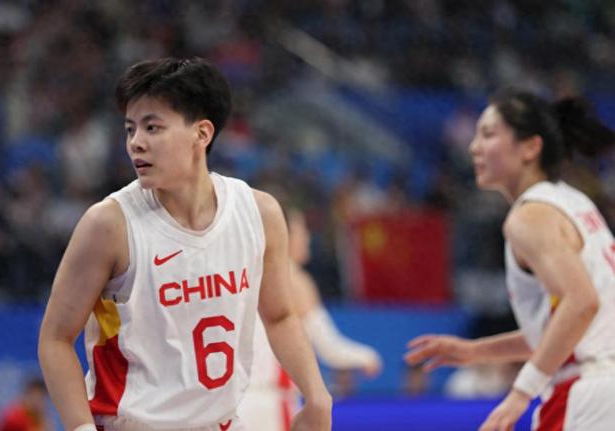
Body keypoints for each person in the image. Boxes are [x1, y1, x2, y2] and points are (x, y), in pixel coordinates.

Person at [38, 57, 332, 431]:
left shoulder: (259, 213)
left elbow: (280, 316)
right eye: (130, 129)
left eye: (152, 127)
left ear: (202, 133)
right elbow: (55, 338)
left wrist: (317, 395)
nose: (136, 142)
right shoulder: (108, 225)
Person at [405, 91, 615, 430]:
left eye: (488, 134)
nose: (474, 147)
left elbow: (581, 303)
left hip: (588, 393)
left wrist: (521, 392)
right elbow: (565, 330)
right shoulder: (574, 202)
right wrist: (475, 352)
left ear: (530, 147)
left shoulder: (530, 216)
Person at [238, 208, 382, 431]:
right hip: (271, 402)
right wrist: (368, 357)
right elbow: (331, 349)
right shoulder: (292, 277)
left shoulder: (240, 270)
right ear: (282, 233)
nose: (307, 237)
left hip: (232, 403)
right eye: (302, 230)